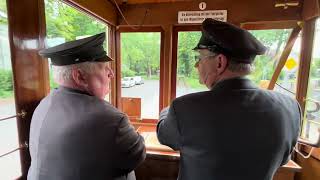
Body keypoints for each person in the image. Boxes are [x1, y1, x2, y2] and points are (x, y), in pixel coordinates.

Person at [157, 18, 301, 180]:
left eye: (200, 58)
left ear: (220, 62)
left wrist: (167, 110)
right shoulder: (290, 107)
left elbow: (164, 135)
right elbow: (282, 160)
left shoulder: (184, 108)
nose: (197, 65)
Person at [28, 33, 146, 180]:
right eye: (104, 68)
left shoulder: (43, 104)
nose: (112, 73)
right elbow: (137, 154)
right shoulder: (110, 118)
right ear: (80, 77)